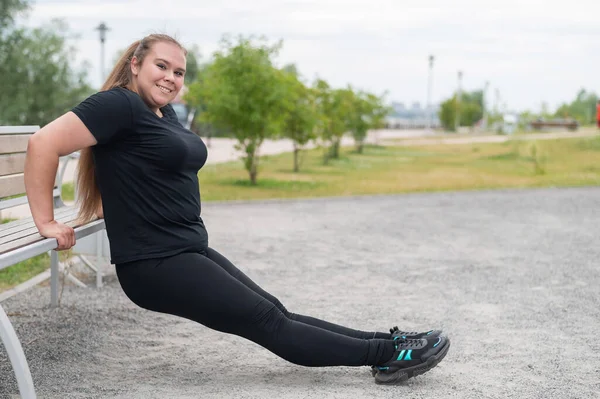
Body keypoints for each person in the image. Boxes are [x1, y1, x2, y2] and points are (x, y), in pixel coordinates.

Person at [23, 33, 450, 385]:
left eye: (179, 72)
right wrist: (46, 220)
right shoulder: (118, 104)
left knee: (276, 312)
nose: (171, 78)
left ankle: (388, 345)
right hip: (155, 262)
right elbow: (43, 143)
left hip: (185, 250)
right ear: (135, 63)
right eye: (162, 66)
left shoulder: (162, 113)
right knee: (270, 324)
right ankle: (389, 356)